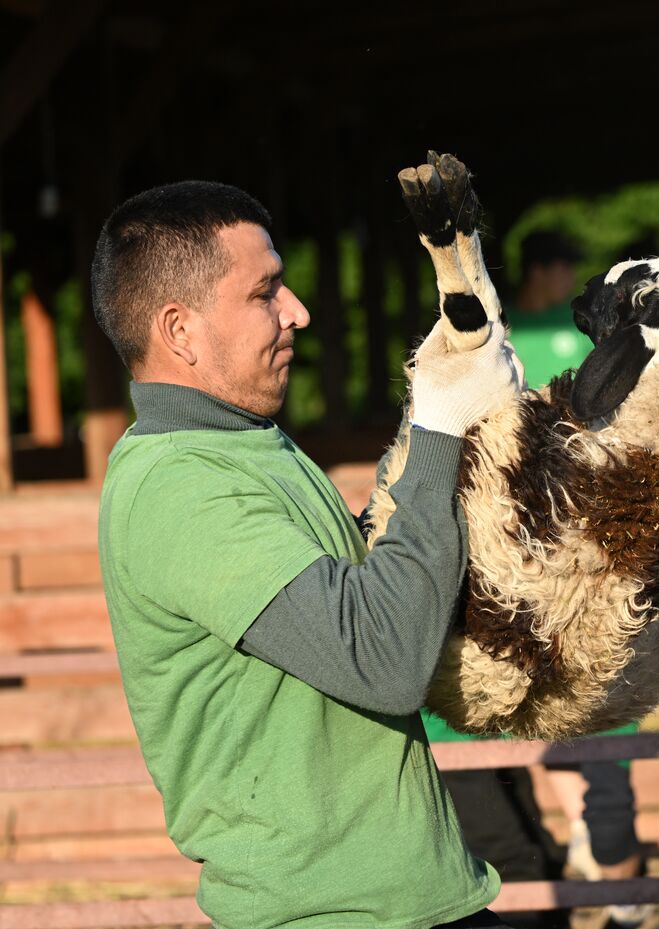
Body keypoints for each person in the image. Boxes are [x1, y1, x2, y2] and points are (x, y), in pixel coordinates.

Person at [93, 181, 520, 928]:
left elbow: (384, 593)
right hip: (327, 911)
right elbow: (384, 660)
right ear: (180, 331)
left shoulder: (249, 444)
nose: (298, 310)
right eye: (265, 292)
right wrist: (439, 425)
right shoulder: (177, 487)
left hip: (415, 896)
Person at [442, 586, 659, 929]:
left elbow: (566, 745)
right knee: (512, 872)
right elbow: (610, 816)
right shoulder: (627, 666)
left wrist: (581, 827)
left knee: (539, 863)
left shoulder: (626, 628)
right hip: (449, 731)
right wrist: (627, 903)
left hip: (482, 726)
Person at [504, 229, 587, 386]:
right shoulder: (497, 325)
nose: (572, 277)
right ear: (537, 272)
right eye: (565, 268)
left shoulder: (581, 319)